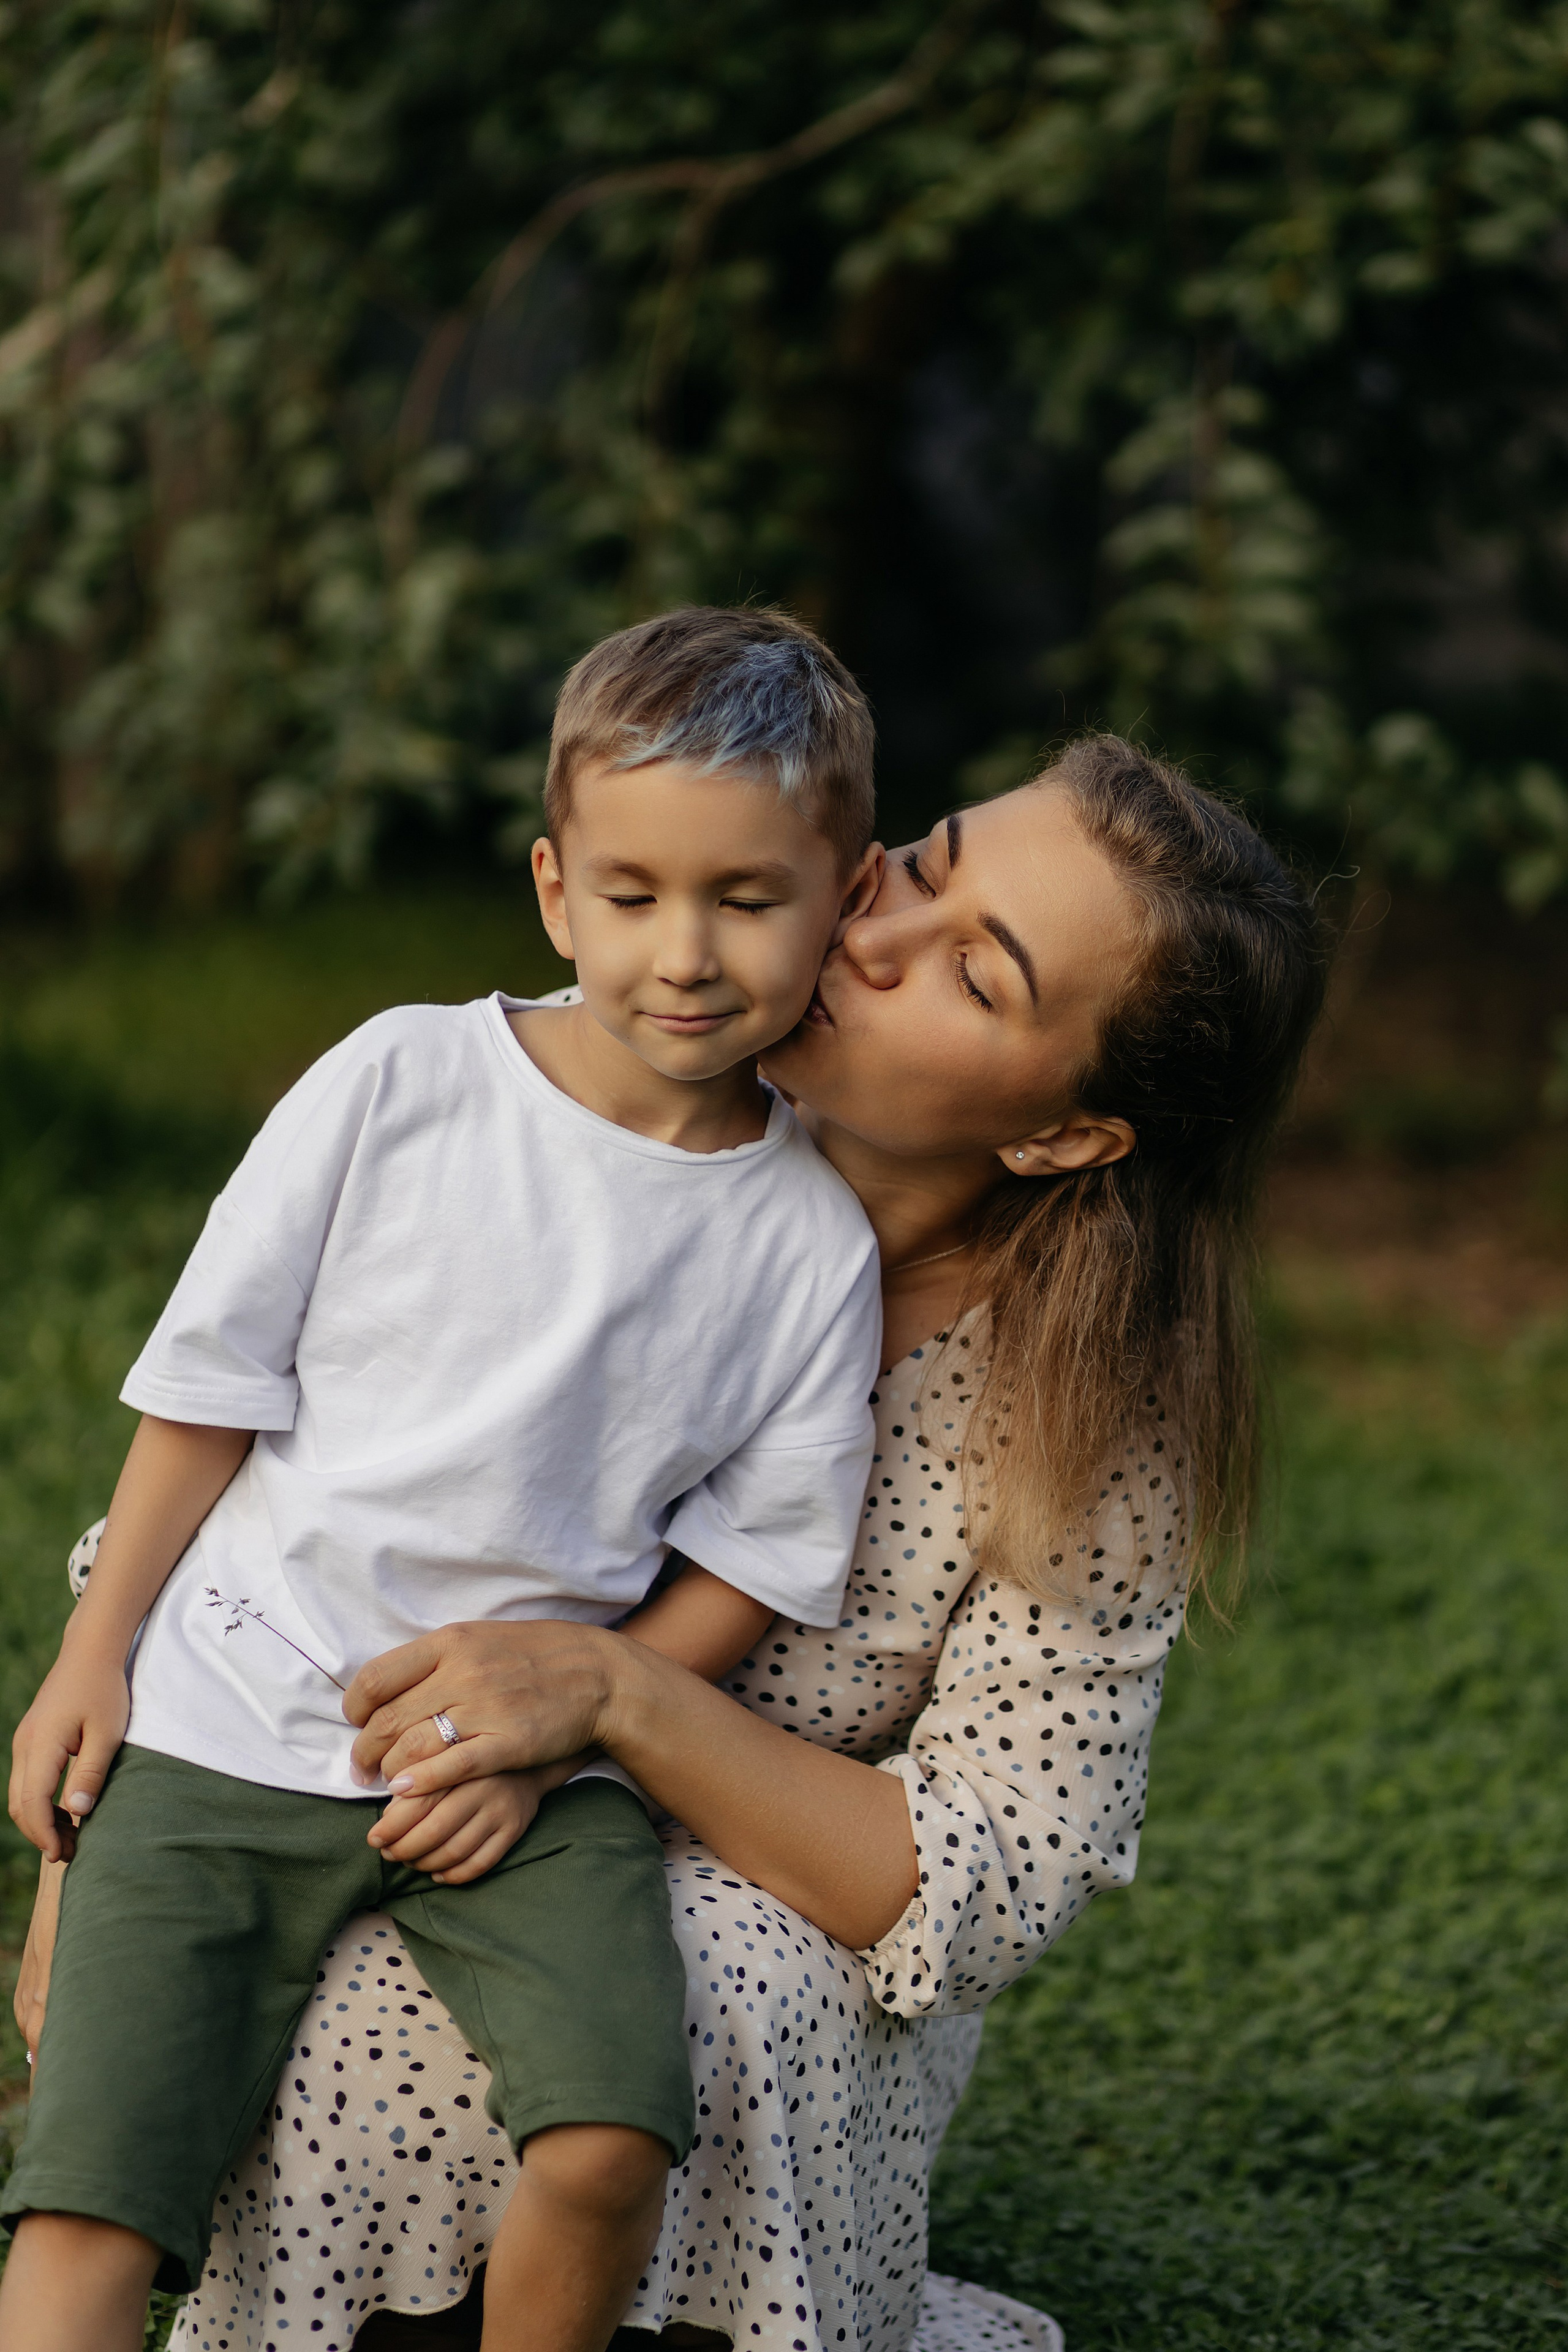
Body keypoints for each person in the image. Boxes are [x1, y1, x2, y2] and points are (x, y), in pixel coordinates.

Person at [16, 733, 1326, 2352]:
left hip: (777, 1899)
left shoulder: (1088, 1414)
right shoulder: (587, 1103)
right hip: (362, 1758)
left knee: (692, 1995)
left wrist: (617, 1701)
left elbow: (983, 1867)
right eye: (922, 863)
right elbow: (304, 1486)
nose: (872, 933)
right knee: (285, 1992)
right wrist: (129, 1826)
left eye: (975, 979)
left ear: (1065, 1135)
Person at [1, 607, 902, 2352]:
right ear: (557, 890)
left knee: (613, 2125)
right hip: (222, 1712)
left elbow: (758, 1559)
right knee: (92, 2198)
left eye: (748, 897)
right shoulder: (403, 1079)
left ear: (846, 898)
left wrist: (568, 1729)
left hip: (516, 1769)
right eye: (634, 897)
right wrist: (95, 1654)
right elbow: (209, 1393)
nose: (687, 953)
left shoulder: (808, 1239)